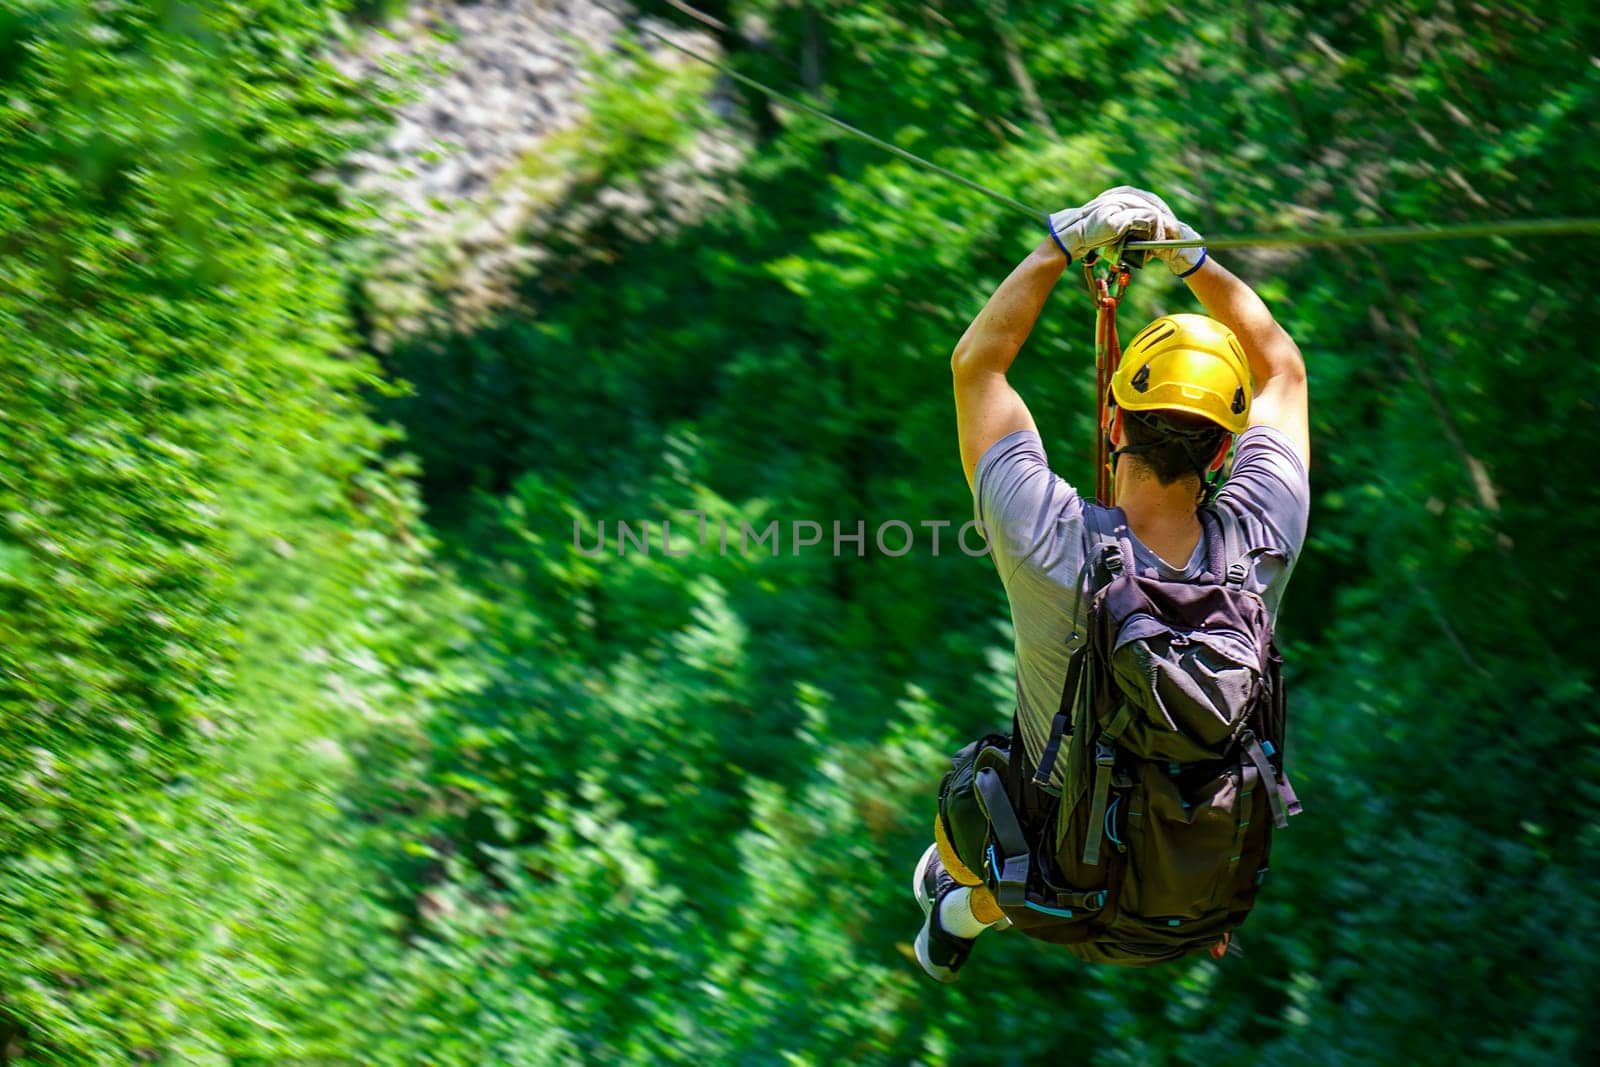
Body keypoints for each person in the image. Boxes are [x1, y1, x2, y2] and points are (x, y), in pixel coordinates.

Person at [913, 187, 1311, 981]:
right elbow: (1284, 370)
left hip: (1060, 885)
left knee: (975, 788)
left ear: (1111, 420)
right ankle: (958, 912)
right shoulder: (1262, 539)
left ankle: (959, 898)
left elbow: (976, 364)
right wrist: (1188, 254)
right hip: (1193, 902)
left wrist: (1060, 243)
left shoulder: (1049, 538)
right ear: (1225, 455)